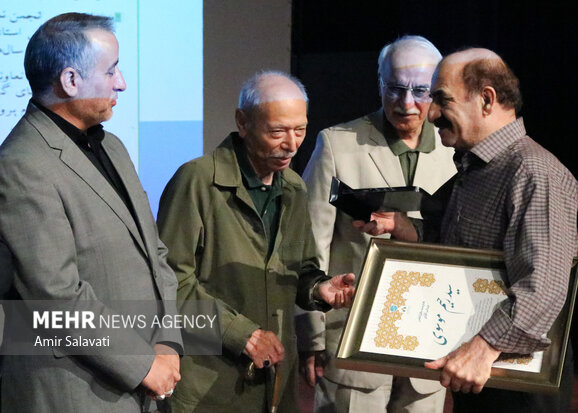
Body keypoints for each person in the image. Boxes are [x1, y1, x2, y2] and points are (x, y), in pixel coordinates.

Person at [0, 13, 183, 412]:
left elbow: (157, 256)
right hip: (80, 394)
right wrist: (142, 364)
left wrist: (168, 342)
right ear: (70, 81)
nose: (122, 83)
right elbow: (56, 297)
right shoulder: (20, 164)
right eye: (111, 70)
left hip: (148, 384)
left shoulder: (113, 146)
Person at [156, 71, 356, 413]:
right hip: (208, 386)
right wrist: (243, 335)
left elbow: (298, 269)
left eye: (300, 130)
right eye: (277, 131)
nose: (292, 144)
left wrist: (319, 289)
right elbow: (170, 284)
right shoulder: (197, 181)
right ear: (243, 122)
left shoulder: (293, 187)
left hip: (273, 382)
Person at [297, 35, 456, 413]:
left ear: (436, 90)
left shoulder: (457, 150)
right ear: (379, 83)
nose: (406, 103)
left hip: (431, 342)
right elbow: (310, 245)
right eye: (395, 88)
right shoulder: (337, 144)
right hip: (353, 340)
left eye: (420, 90)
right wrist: (311, 336)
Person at [419, 48, 578, 412]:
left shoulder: (534, 172)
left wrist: (484, 347)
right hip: (482, 372)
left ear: (486, 99)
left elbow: (545, 285)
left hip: (518, 380)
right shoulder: (477, 168)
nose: (431, 114)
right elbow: (470, 246)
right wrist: (408, 231)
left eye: (442, 99)